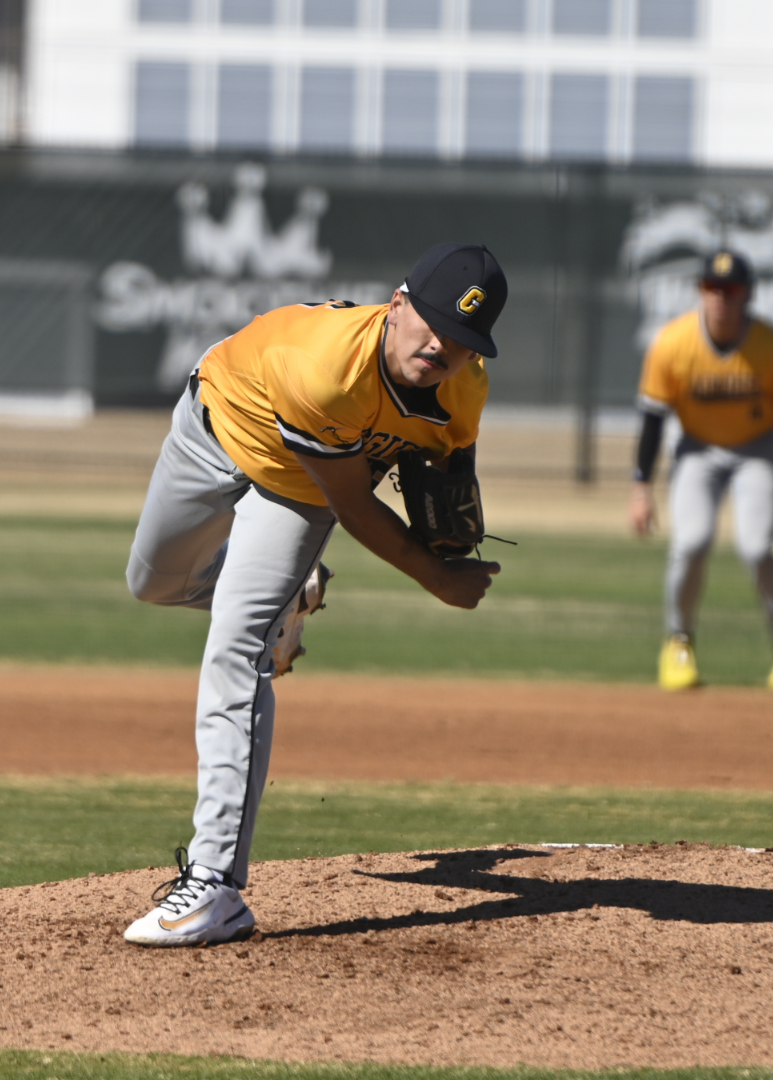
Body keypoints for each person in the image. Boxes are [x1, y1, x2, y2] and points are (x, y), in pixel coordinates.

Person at [122, 242, 508, 947]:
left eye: (462, 340)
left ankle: (214, 886)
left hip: (296, 494)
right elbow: (358, 508)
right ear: (397, 305)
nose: (441, 347)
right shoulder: (328, 373)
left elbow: (445, 458)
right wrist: (436, 576)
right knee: (152, 583)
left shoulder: (463, 387)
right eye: (430, 324)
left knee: (236, 651)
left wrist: (450, 528)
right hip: (220, 421)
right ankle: (291, 597)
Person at [628, 249, 773, 693]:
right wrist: (640, 489)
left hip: (757, 450)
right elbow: (652, 422)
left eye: (730, 289)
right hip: (696, 450)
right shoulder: (673, 343)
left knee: (759, 550)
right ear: (701, 292)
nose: (720, 298)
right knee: (691, 542)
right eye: (711, 288)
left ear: (747, 295)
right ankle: (678, 642)